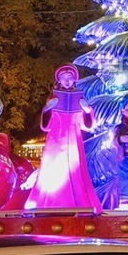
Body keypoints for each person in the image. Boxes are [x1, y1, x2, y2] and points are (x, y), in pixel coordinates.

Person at [25, 64, 102, 211]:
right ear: (58, 80)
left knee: (74, 170)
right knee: (53, 169)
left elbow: (88, 126)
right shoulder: (54, 98)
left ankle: (75, 202)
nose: (67, 81)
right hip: (56, 139)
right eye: (63, 78)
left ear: (74, 80)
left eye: (70, 78)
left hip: (73, 139)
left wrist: (87, 110)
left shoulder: (80, 98)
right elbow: (46, 126)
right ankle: (50, 202)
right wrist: (47, 108)